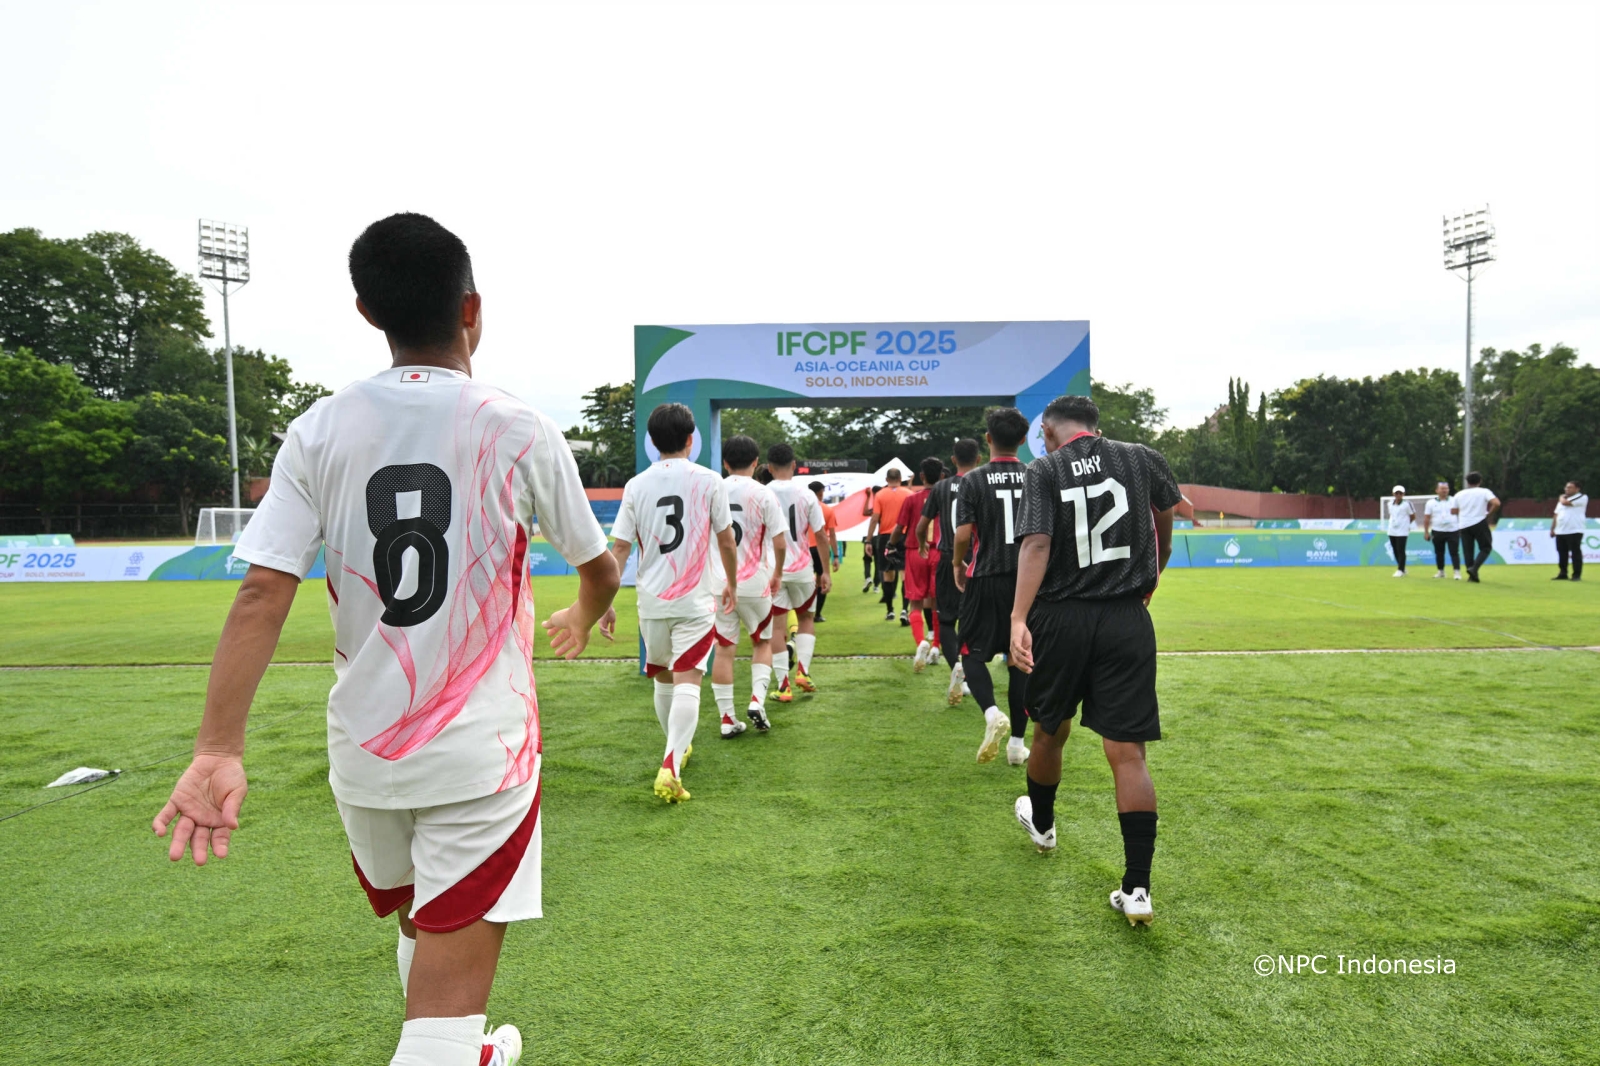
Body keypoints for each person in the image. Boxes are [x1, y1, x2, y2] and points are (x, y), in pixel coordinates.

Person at [152, 213, 620, 1066]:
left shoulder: (318, 428)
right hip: (482, 753)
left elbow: (261, 591)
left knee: (422, 925)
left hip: (364, 753)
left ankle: (473, 1053)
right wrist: (585, 615)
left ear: (368, 312)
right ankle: (453, 1049)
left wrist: (217, 746)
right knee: (439, 1007)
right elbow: (599, 566)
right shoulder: (518, 425)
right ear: (473, 308)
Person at [1009, 394, 1182, 927]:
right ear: (1095, 425)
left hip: (1061, 618)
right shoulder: (1143, 457)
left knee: (1048, 731)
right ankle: (1138, 888)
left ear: (1050, 432)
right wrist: (1152, 578)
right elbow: (1165, 525)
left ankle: (1043, 825)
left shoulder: (1044, 469)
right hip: (1127, 617)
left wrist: (1018, 618)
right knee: (1128, 754)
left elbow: (1037, 545)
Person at [601, 403, 737, 803]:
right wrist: (731, 582)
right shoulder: (710, 480)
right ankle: (671, 766)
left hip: (652, 602)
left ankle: (674, 751)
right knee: (688, 678)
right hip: (695, 600)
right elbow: (726, 540)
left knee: (663, 677)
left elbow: (620, 548)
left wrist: (606, 600)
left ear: (652, 441)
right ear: (691, 440)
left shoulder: (636, 485)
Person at [953, 408, 1032, 767]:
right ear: (1023, 439)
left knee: (970, 652)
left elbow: (963, 534)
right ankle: (1017, 745)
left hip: (985, 577)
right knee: (1021, 659)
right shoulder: (1035, 475)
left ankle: (991, 713)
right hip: (1028, 581)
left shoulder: (972, 480)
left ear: (988, 439)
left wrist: (957, 564)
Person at [707, 435, 788, 733]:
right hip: (755, 581)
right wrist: (778, 573)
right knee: (762, 642)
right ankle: (756, 700)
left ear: (725, 463)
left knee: (724, 648)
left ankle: (727, 718)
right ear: (756, 462)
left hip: (719, 582)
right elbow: (780, 542)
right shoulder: (764, 493)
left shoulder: (712, 489)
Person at [765, 443, 831, 702]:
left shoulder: (763, 493)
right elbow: (821, 535)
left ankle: (783, 686)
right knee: (806, 618)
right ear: (794, 465)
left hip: (773, 570)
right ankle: (803, 671)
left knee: (777, 627)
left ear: (769, 467)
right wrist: (825, 571)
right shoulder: (807, 495)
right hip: (802, 568)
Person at [919, 438, 981, 706]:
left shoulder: (941, 487)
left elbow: (922, 525)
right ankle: (968, 669)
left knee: (946, 620)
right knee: (973, 618)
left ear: (953, 460)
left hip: (948, 558)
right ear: (978, 459)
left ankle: (956, 666)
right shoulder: (981, 482)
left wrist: (921, 543)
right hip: (977, 558)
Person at [894, 457, 946, 670]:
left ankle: (920, 642)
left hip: (916, 551)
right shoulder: (947, 497)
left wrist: (890, 544)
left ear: (921, 476)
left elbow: (900, 528)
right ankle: (936, 646)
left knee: (915, 603)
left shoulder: (911, 499)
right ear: (942, 476)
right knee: (937, 602)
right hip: (939, 551)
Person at [867, 469, 912, 622]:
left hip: (886, 537)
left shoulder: (880, 495)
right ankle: (904, 610)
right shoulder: (908, 494)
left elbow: (874, 518)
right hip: (904, 535)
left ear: (886, 479)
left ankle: (890, 610)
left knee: (887, 574)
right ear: (900, 478)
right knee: (905, 574)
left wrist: (868, 540)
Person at [1456, 472, 1502, 583]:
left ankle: (1472, 576)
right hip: (1479, 521)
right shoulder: (1484, 491)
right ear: (1480, 481)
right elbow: (1496, 503)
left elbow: (1453, 510)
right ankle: (1474, 568)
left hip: (1463, 524)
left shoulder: (1459, 494)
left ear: (1467, 482)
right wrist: (1489, 514)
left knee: (1468, 551)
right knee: (1486, 547)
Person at [808, 480, 839, 620]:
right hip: (821, 548)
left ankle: (805, 612)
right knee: (821, 580)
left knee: (805, 581)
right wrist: (836, 556)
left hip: (805, 549)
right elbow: (832, 535)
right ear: (821, 493)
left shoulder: (802, 508)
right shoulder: (827, 510)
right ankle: (818, 613)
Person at [1422, 481, 1461, 579]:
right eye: (1442, 488)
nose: (1444, 490)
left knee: (1454, 552)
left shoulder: (1454, 500)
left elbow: (1460, 513)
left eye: (1446, 488)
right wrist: (1426, 531)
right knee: (1439, 552)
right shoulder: (1431, 503)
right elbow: (1427, 518)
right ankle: (1441, 571)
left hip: (1453, 530)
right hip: (1437, 530)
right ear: (1437, 490)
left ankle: (1456, 572)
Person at [1552, 479, 1588, 581]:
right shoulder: (1562, 500)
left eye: (1570, 487)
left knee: (1575, 552)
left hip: (1574, 529)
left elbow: (1565, 503)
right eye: (1566, 487)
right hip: (1561, 530)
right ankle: (1563, 573)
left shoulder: (1582, 497)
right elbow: (1556, 514)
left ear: (1577, 489)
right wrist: (1553, 528)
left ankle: (1576, 574)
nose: (1567, 489)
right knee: (1562, 552)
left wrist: (1561, 497)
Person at [1386, 485, 1416, 577]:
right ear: (1393, 494)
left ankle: (1400, 570)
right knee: (1395, 549)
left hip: (1402, 530)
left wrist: (1406, 524)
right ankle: (1402, 567)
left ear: (1403, 494)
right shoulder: (1389, 503)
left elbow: (1413, 516)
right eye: (1397, 493)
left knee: (1401, 550)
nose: (1398, 495)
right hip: (1392, 529)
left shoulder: (1407, 504)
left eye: (1400, 493)